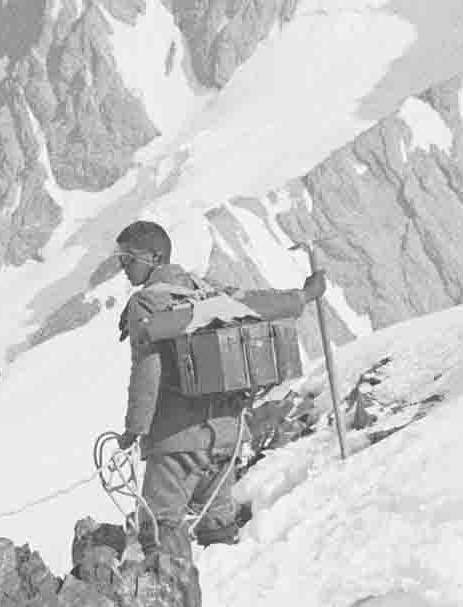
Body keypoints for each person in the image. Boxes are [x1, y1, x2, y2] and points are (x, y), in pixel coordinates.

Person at [108, 221, 326, 560]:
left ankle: (173, 601)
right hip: (227, 435)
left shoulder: (146, 304)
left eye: (128, 258)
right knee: (219, 527)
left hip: (176, 441)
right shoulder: (206, 289)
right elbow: (260, 304)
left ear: (154, 256)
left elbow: (146, 373)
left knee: (160, 528)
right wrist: (306, 296)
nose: (122, 267)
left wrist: (134, 430)